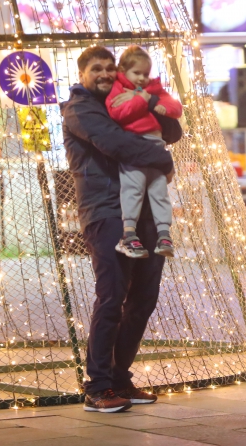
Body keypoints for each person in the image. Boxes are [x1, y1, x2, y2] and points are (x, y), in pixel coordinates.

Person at [62, 46, 182, 413]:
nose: (104, 74)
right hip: (107, 212)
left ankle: (119, 377)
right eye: (96, 68)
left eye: (109, 68)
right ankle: (97, 386)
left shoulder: (123, 99)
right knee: (112, 298)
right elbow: (115, 144)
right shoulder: (79, 109)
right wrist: (161, 158)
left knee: (144, 299)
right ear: (82, 74)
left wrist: (151, 102)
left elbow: (172, 130)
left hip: (143, 211)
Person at [106, 45, 183, 259]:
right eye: (136, 73)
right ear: (123, 70)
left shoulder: (151, 89)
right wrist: (142, 99)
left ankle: (164, 234)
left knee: (159, 192)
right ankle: (129, 233)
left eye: (145, 74)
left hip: (156, 145)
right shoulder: (118, 89)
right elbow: (118, 113)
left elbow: (175, 108)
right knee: (133, 189)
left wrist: (149, 98)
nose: (141, 78)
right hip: (135, 146)